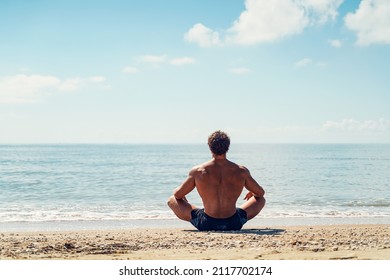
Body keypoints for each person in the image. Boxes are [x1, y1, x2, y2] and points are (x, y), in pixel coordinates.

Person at [167, 130, 266, 231]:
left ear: (210, 147)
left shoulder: (198, 171)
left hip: (206, 223)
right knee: (261, 199)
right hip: (233, 223)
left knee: (172, 199)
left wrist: (178, 192)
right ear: (228, 147)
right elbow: (261, 193)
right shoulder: (241, 171)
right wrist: (253, 191)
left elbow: (178, 195)